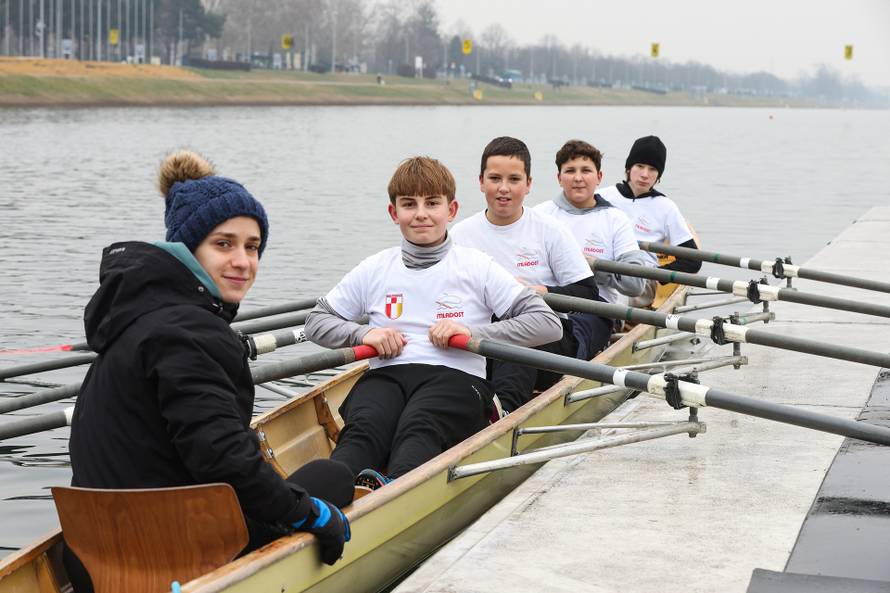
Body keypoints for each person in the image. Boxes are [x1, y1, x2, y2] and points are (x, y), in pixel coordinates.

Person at [66, 150, 352, 592]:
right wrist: (307, 512)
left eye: (252, 246)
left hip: (93, 551)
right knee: (330, 478)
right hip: (181, 550)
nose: (243, 261)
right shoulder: (191, 331)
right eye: (224, 244)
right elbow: (223, 458)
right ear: (188, 250)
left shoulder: (130, 318)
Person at [304, 156, 560, 488]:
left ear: (451, 210)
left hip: (456, 377)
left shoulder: (476, 265)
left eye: (432, 203)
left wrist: (471, 332)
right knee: (362, 432)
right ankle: (320, 502)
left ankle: (389, 489)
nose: (421, 213)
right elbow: (316, 321)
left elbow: (546, 323)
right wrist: (364, 333)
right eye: (409, 204)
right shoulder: (375, 267)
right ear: (394, 213)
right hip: (387, 376)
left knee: (420, 426)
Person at [450, 136, 609, 413]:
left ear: (528, 184)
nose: (503, 188)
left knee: (520, 337)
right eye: (495, 178)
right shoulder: (460, 236)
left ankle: (504, 413)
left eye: (514, 179)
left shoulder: (549, 230)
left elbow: (588, 294)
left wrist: (542, 293)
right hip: (480, 336)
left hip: (547, 339)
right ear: (480, 181)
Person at [534, 139, 648, 347]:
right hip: (545, 301)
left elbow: (636, 285)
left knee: (559, 336)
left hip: (597, 307)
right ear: (559, 178)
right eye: (570, 171)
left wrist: (589, 267)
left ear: (599, 177)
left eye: (586, 170)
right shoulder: (539, 214)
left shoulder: (615, 218)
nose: (578, 178)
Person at [599, 135, 702, 306]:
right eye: (640, 166)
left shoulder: (666, 207)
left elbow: (692, 260)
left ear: (659, 175)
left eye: (653, 169)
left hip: (640, 280)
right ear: (628, 167)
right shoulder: (603, 196)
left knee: (615, 292)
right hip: (602, 268)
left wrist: (655, 273)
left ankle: (611, 322)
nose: (645, 174)